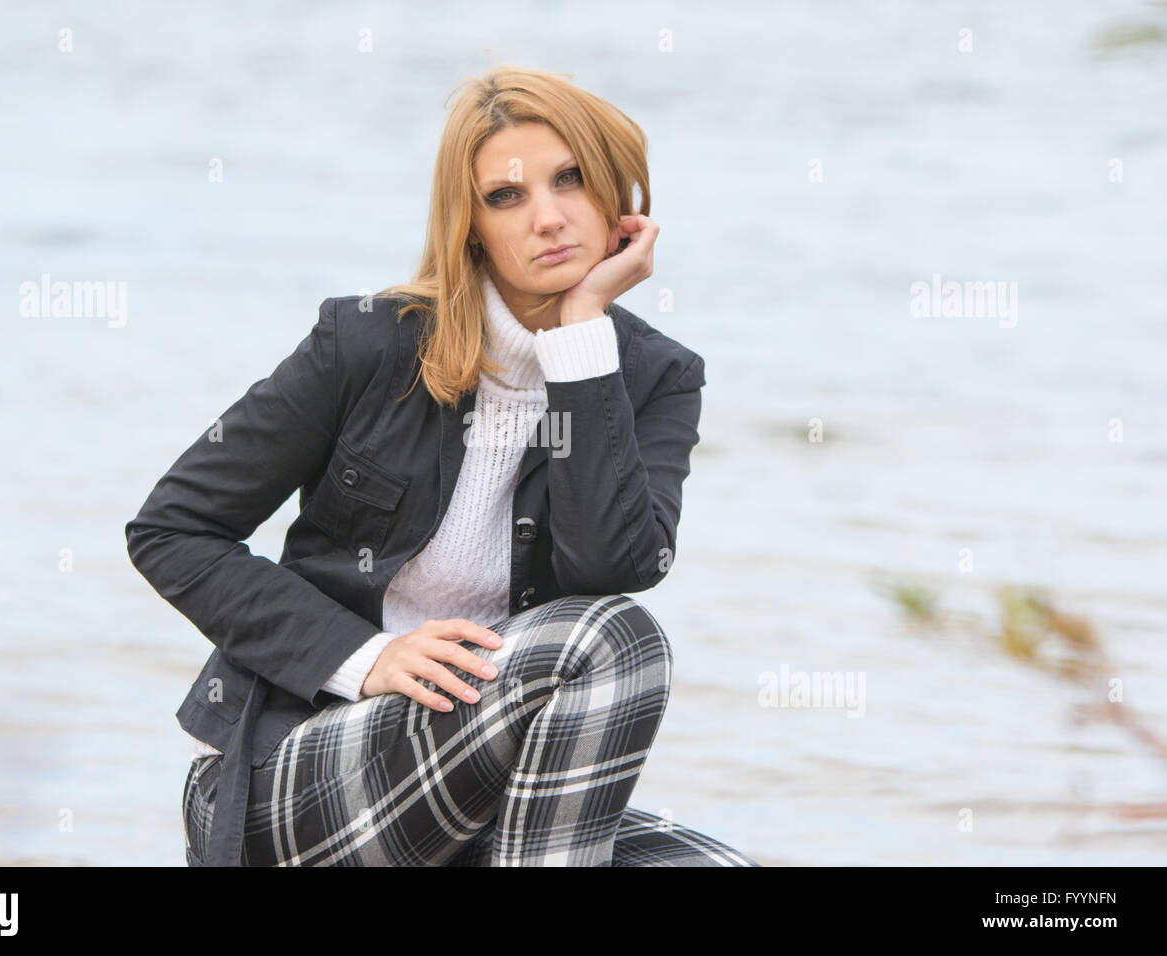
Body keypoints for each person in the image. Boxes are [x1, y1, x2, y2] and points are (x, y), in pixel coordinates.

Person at [128, 64, 759, 866]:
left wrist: (579, 342)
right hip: (288, 776)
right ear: (471, 227)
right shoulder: (367, 343)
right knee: (610, 641)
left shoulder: (654, 377)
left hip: (483, 790)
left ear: (618, 198)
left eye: (571, 179)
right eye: (508, 196)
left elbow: (612, 561)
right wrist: (367, 659)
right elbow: (173, 529)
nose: (549, 218)